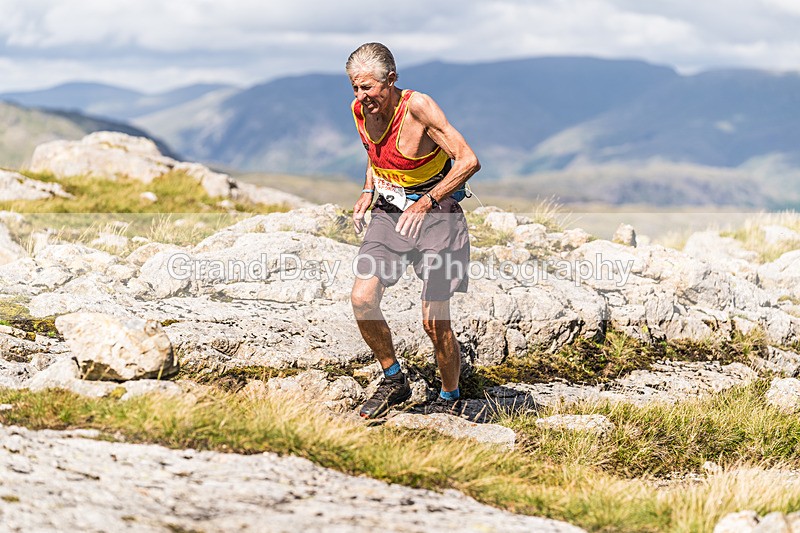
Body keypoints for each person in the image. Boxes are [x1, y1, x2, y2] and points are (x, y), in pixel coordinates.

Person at [346, 42, 481, 419]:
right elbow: (376, 154)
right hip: (390, 214)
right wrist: (368, 190)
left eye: (369, 87)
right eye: (355, 87)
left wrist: (427, 201)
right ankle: (393, 379)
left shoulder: (419, 107)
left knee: (434, 321)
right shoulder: (360, 110)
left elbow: (468, 160)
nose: (361, 96)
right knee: (362, 298)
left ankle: (450, 397)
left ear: (391, 80)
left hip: (438, 215)